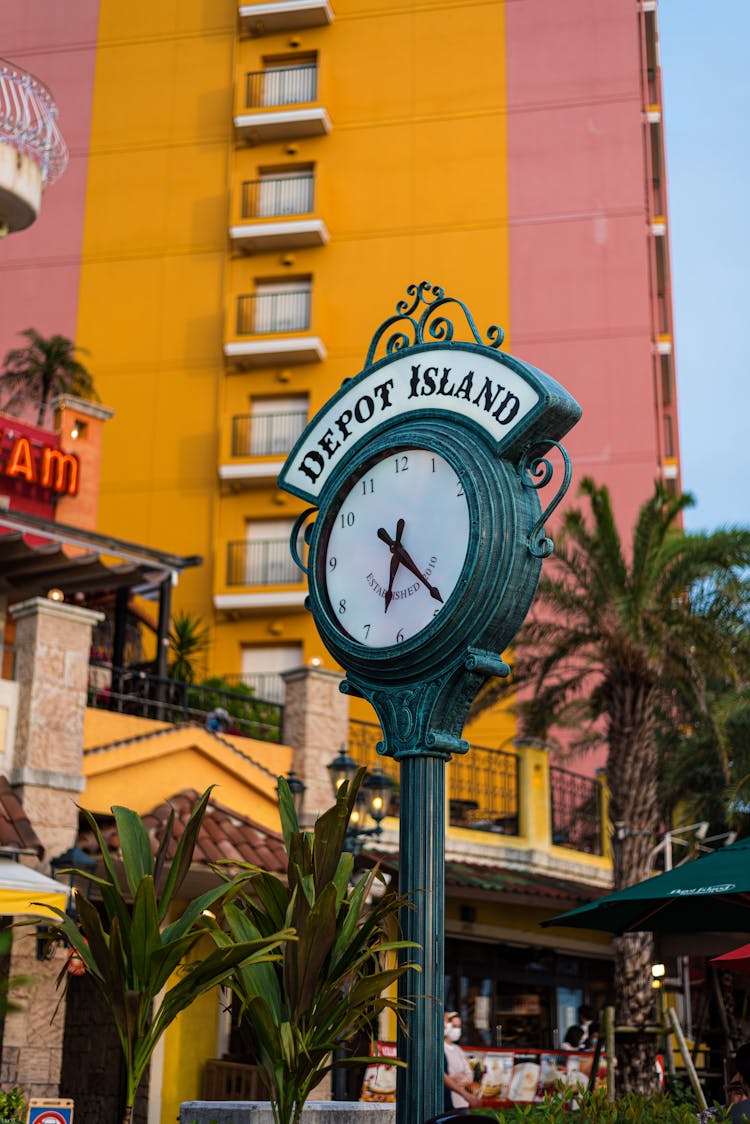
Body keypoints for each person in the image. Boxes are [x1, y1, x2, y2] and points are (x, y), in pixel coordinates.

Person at [443, 1010, 482, 1111]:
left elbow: (469, 1073)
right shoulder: (439, 1049)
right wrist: (454, 1080)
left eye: (459, 1027)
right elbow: (443, 1075)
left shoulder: (458, 1049)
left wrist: (458, 1079)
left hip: (462, 1102)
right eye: (454, 1026)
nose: (457, 1030)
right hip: (448, 1101)